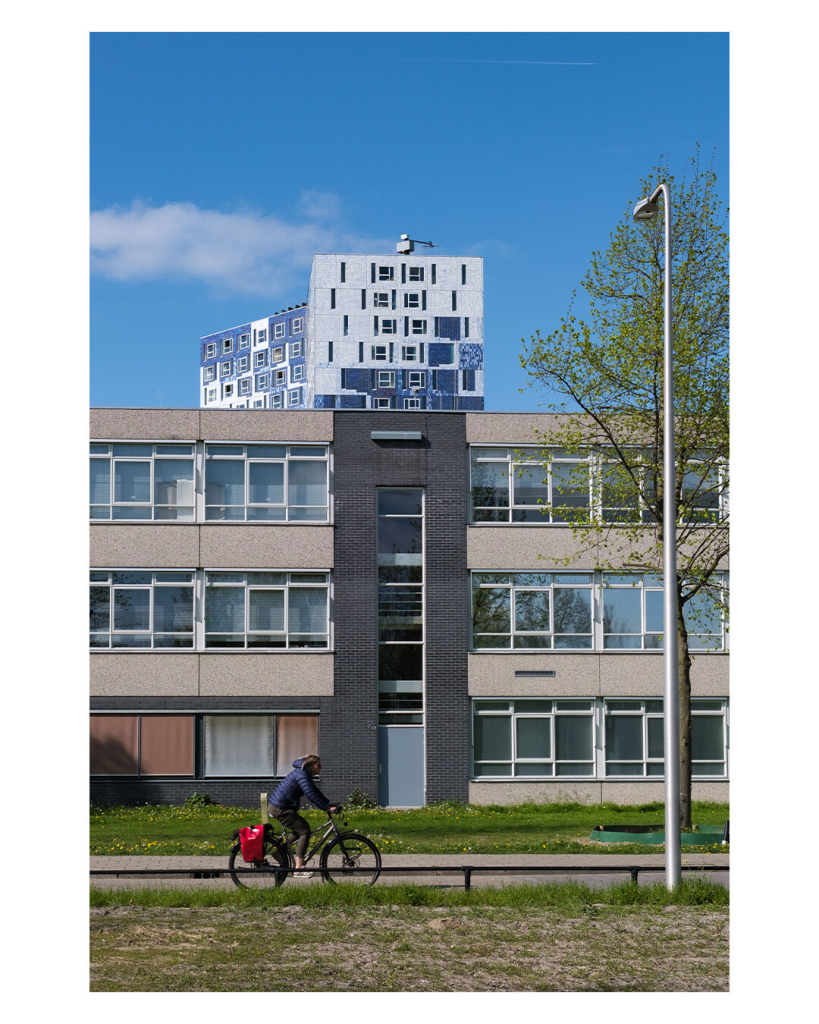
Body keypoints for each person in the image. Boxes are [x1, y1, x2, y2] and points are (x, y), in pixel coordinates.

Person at [267, 754, 340, 878]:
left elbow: (315, 791)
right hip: (280, 808)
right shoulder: (302, 774)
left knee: (300, 829)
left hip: (280, 806)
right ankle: (298, 869)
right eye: (318, 765)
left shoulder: (304, 773)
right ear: (311, 765)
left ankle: (280, 853)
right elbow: (310, 794)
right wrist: (326, 807)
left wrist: (327, 803)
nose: (320, 768)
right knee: (304, 831)